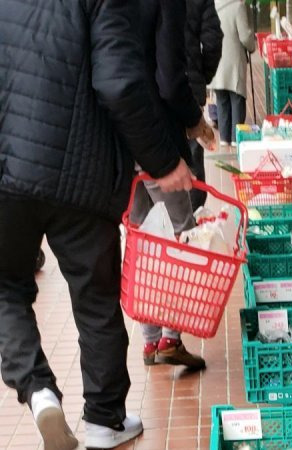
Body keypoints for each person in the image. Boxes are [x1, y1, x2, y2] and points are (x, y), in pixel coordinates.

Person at [0, 0, 199, 448]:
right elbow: (119, 83)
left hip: (7, 174)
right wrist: (165, 162)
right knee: (95, 297)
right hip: (82, 174)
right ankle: (104, 420)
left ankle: (40, 393)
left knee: (5, 288)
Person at [132, 0, 217, 371]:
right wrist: (194, 118)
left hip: (121, 136)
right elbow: (169, 79)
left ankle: (150, 341)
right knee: (181, 235)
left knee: (140, 239)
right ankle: (170, 337)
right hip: (156, 140)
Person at [186, 0, 224, 211]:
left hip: (152, 87)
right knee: (192, 154)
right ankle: (191, 222)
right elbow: (212, 40)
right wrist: (202, 75)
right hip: (189, 89)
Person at [211, 0, 256, 148]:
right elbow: (245, 36)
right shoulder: (238, 6)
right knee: (237, 98)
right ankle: (236, 138)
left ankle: (224, 138)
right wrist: (252, 46)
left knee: (222, 99)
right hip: (234, 60)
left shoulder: (212, 5)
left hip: (216, 60)